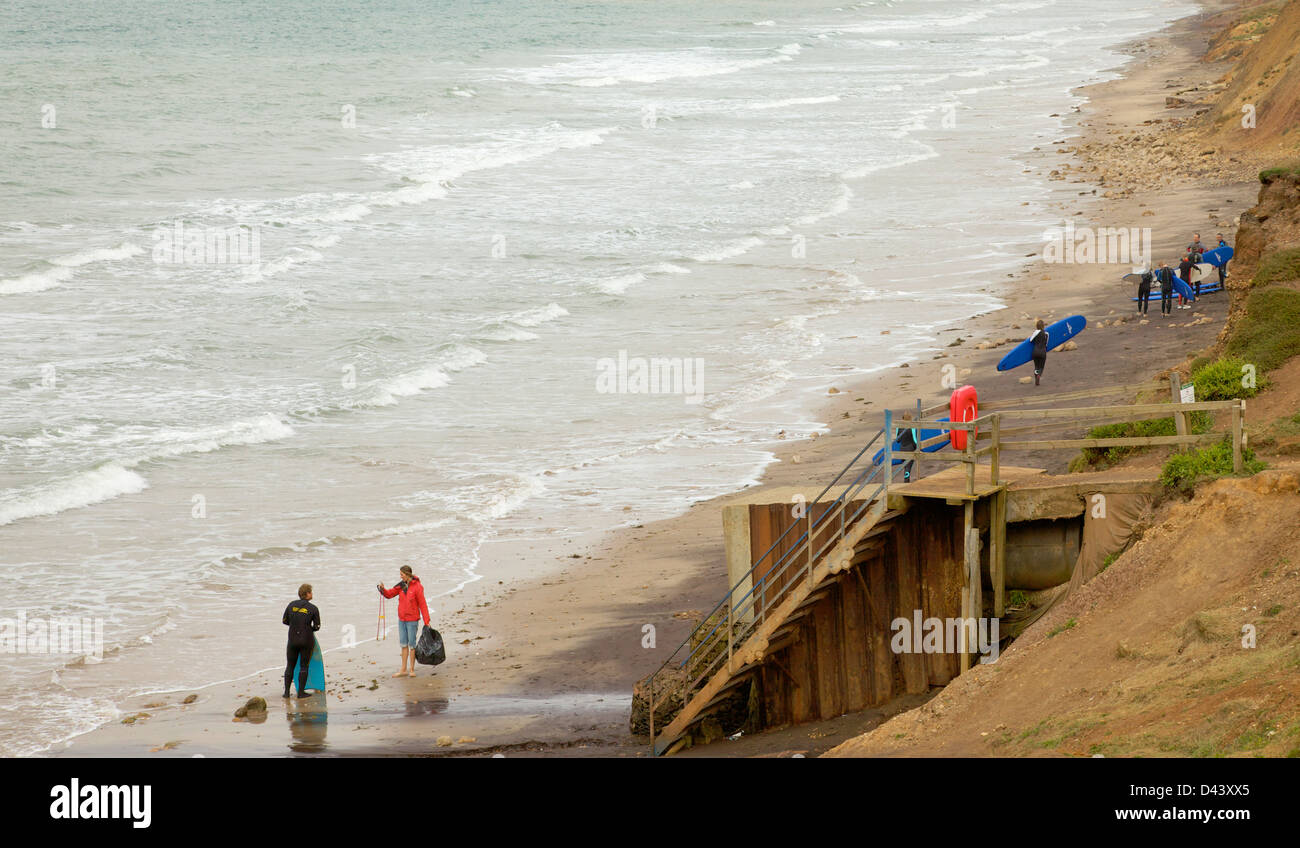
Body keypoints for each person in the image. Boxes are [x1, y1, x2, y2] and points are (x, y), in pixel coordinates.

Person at [377, 565, 431, 678]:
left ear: (407, 574)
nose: (400, 576)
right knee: (403, 644)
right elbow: (389, 594)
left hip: (412, 620)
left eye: (402, 574)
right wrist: (382, 589)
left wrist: (427, 621)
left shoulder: (417, 587)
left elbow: (423, 604)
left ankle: (411, 669)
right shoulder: (401, 586)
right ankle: (403, 669)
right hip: (402, 620)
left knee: (412, 645)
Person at [282, 584, 321, 699]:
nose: (312, 594)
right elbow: (317, 626)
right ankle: (300, 693)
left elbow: (284, 621)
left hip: (292, 639)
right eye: (311, 592)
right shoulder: (313, 608)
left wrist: (295, 625)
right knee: (304, 666)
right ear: (307, 593)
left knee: (290, 665)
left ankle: (287, 693)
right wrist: (308, 629)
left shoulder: (291, 605)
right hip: (306, 640)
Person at [896, 411, 918, 482]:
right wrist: (918, 448)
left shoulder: (899, 427)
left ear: (902, 418)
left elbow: (897, 440)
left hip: (902, 449)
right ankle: (906, 481)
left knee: (906, 467)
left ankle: (906, 480)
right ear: (910, 418)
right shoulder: (912, 427)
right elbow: (915, 441)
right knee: (908, 467)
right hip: (910, 449)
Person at [1030, 319, 1048, 386]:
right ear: (1043, 326)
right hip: (1042, 352)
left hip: (1035, 351)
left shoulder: (1035, 332)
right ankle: (1039, 375)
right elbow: (1046, 344)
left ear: (1036, 326)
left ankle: (1036, 380)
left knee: (1036, 366)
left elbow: (1031, 340)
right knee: (1041, 367)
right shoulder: (1046, 333)